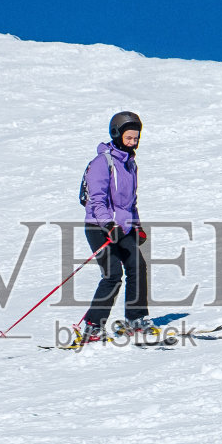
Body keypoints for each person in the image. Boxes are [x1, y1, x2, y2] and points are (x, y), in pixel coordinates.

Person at [76, 111, 149, 341]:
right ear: (117, 134)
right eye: (129, 138)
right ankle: (92, 326)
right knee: (112, 274)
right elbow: (96, 200)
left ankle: (136, 320)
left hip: (122, 228)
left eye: (136, 138)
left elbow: (130, 201)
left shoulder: (130, 165)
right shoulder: (102, 162)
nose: (133, 142)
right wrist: (109, 224)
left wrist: (135, 226)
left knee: (137, 266)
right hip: (99, 227)